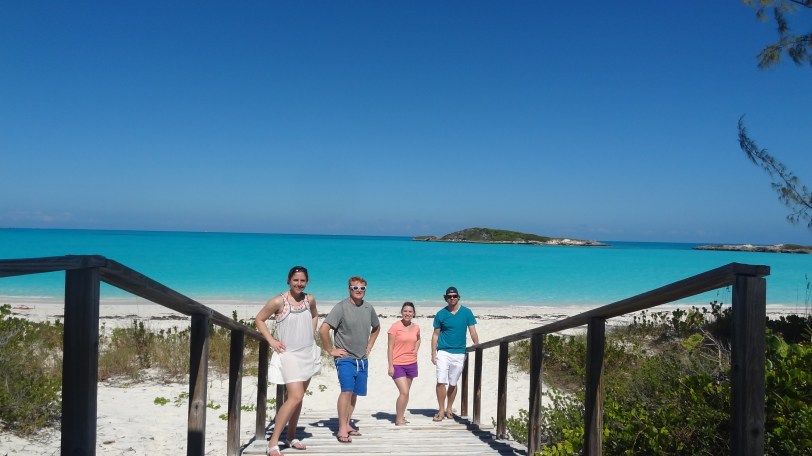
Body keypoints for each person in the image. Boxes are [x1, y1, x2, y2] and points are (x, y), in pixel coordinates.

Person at [255, 266, 321, 456]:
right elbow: (259, 319)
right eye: (295, 280)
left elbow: (315, 315)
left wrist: (311, 332)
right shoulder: (278, 301)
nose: (299, 284)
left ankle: (291, 436)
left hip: (308, 352)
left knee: (298, 399)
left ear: (306, 281)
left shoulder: (310, 299)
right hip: (289, 354)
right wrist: (271, 340)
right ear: (288, 280)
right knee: (295, 396)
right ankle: (273, 443)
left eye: (302, 280)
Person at [318, 276, 381, 443]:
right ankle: (341, 428)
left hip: (362, 358)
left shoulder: (368, 307)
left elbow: (376, 327)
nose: (359, 291)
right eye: (355, 288)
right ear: (349, 289)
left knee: (354, 393)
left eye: (362, 288)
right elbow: (323, 330)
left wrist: (369, 345)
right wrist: (331, 349)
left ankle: (347, 423)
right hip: (345, 358)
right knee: (346, 390)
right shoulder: (341, 307)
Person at [431, 286, 479, 422]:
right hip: (443, 351)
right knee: (441, 380)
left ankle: (449, 408)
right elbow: (435, 335)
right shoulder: (440, 314)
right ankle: (441, 410)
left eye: (454, 296)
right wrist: (433, 353)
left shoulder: (467, 312)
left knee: (453, 382)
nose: (452, 298)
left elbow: (473, 331)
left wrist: (477, 344)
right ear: (445, 298)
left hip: (459, 352)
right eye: (449, 296)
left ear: (458, 297)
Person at [387, 301, 421, 426]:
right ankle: (398, 419)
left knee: (406, 393)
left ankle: (401, 416)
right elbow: (390, 347)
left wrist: (415, 351)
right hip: (397, 364)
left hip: (411, 363)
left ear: (413, 314)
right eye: (405, 311)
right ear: (401, 312)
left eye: (410, 311)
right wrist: (390, 366)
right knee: (404, 392)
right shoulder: (395, 327)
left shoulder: (416, 327)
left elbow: (418, 339)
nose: (407, 313)